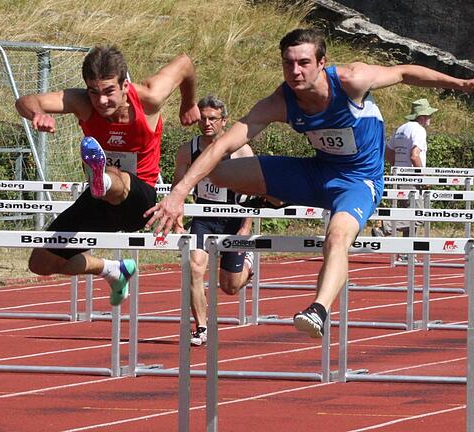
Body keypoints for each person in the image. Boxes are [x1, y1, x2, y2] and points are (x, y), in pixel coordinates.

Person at [145, 28, 474, 338]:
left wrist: (458, 84)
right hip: (315, 173)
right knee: (220, 171)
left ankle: (318, 309)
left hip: (357, 182)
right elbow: (221, 145)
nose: (296, 71)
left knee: (338, 236)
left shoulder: (351, 80)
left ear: (322, 63)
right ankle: (275, 196)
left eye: (304, 63)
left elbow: (404, 72)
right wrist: (180, 191)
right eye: (288, 63)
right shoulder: (280, 101)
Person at [15, 45, 199, 306]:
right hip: (98, 199)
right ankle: (113, 269)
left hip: (140, 202)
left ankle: (104, 177)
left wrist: (188, 103)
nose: (101, 101)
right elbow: (26, 100)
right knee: (42, 262)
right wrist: (38, 113)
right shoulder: (82, 102)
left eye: (109, 91)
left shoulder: (149, 97)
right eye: (94, 92)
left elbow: (185, 62)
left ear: (125, 84)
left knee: (115, 177)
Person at [173, 95, 255, 346]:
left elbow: (255, 192)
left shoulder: (241, 150)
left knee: (229, 287)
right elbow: (178, 187)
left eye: (212, 119)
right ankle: (202, 327)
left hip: (234, 217)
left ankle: (248, 265)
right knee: (194, 266)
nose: (207, 123)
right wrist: (178, 220)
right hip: (204, 217)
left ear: (224, 121)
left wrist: (246, 226)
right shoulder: (188, 150)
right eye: (203, 119)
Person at [373, 98, 438, 242]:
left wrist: (398, 167)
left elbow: (388, 152)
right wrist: (423, 177)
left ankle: (406, 253)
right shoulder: (419, 130)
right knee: (419, 216)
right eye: (428, 116)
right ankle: (385, 226)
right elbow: (415, 155)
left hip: (400, 176)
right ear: (422, 117)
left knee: (408, 216)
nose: (430, 119)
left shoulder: (402, 128)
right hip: (412, 178)